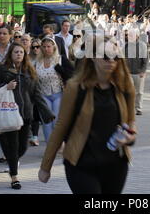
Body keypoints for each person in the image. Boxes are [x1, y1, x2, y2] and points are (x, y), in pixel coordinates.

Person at [38, 34, 136, 194]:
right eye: (105, 56)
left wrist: (130, 136)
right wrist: (45, 166)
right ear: (93, 58)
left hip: (115, 166)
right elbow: (61, 127)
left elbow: (131, 121)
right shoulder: (76, 87)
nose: (111, 61)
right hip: (81, 164)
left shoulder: (124, 85)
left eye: (116, 57)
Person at [0, 43, 54, 189]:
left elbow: (36, 94)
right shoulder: (2, 69)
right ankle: (14, 177)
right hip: (10, 113)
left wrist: (47, 113)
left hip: (26, 115)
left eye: (21, 52)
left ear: (24, 55)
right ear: (10, 54)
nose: (19, 54)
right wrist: (6, 87)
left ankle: (11, 160)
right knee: (13, 147)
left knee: (23, 148)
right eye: (16, 52)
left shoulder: (30, 71)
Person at [34, 37, 64, 143]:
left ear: (54, 47)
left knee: (56, 121)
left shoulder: (59, 60)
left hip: (58, 93)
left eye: (49, 46)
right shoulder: (37, 62)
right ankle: (49, 146)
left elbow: (67, 75)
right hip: (43, 94)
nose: (46, 49)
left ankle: (58, 144)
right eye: (44, 47)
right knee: (46, 121)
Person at [124, 30, 148, 116]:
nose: (129, 37)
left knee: (139, 92)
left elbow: (145, 60)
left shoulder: (142, 46)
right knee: (129, 91)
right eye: (128, 35)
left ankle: (138, 108)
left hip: (138, 72)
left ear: (137, 36)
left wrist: (143, 71)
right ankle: (129, 108)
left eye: (131, 35)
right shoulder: (126, 46)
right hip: (128, 72)